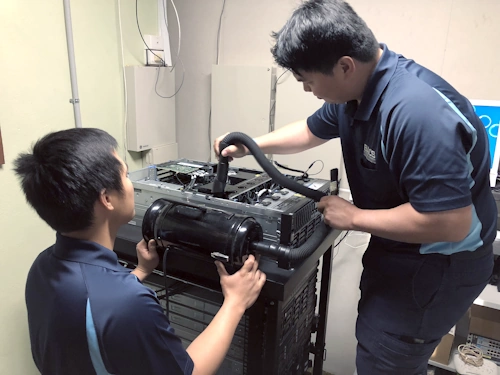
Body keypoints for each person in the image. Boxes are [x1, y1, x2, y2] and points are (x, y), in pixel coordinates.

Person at [214, 0, 496, 374]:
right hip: (403, 250)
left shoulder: (417, 114)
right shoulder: (357, 91)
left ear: (345, 65)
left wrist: (355, 216)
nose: (309, 90)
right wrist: (252, 144)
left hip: (437, 264)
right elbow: (311, 130)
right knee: (377, 340)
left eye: (309, 81)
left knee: (386, 354)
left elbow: (450, 222)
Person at [14, 127, 266, 375]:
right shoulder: (127, 303)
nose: (130, 184)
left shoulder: (42, 265)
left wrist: (139, 271)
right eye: (125, 175)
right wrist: (235, 302)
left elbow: (89, 315)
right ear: (107, 199)